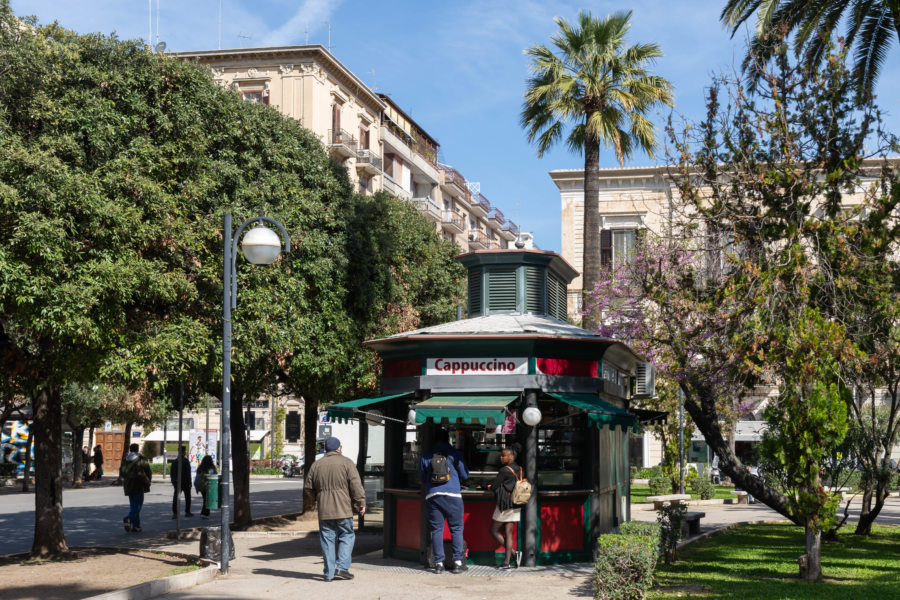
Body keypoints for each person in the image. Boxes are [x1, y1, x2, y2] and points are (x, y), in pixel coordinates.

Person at [304, 436, 366, 582]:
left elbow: (308, 487)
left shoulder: (316, 465)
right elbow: (356, 485)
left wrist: (315, 500)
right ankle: (342, 568)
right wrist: (360, 503)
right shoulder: (347, 463)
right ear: (338, 448)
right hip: (343, 509)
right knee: (347, 536)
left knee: (327, 540)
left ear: (326, 449)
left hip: (324, 510)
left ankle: (329, 573)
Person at [419, 428, 469, 574]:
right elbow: (465, 474)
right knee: (456, 529)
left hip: (433, 495)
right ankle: (458, 563)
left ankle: (439, 563)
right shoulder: (454, 453)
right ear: (448, 438)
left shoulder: (427, 454)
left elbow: (421, 477)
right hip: (453, 495)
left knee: (437, 530)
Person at [487, 446, 522, 569]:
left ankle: (512, 555)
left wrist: (489, 486)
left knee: (493, 530)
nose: (501, 457)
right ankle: (508, 561)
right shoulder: (520, 469)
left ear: (511, 457)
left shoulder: (504, 470)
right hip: (516, 503)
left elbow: (495, 485)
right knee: (509, 533)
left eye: (504, 455)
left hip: (504, 504)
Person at [120, 443, 152, 533]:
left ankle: (136, 526)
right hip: (138, 485)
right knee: (138, 506)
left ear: (130, 449)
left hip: (128, 486)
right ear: (137, 449)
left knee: (133, 505)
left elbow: (121, 472)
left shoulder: (125, 459)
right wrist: (148, 480)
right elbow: (148, 470)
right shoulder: (141, 459)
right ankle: (129, 518)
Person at [170, 445, 193, 518]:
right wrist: (190, 482)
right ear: (183, 452)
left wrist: (173, 482)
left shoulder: (175, 461)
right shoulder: (186, 461)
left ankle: (175, 513)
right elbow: (188, 473)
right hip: (185, 482)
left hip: (177, 482)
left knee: (176, 498)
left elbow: (172, 473)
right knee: (187, 497)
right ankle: (187, 511)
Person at [194, 454, 217, 519]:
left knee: (205, 499)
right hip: (208, 486)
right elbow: (214, 476)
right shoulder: (211, 468)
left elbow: (197, 478)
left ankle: (205, 513)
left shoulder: (200, 468)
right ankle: (204, 513)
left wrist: (197, 487)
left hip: (202, 486)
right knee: (207, 500)